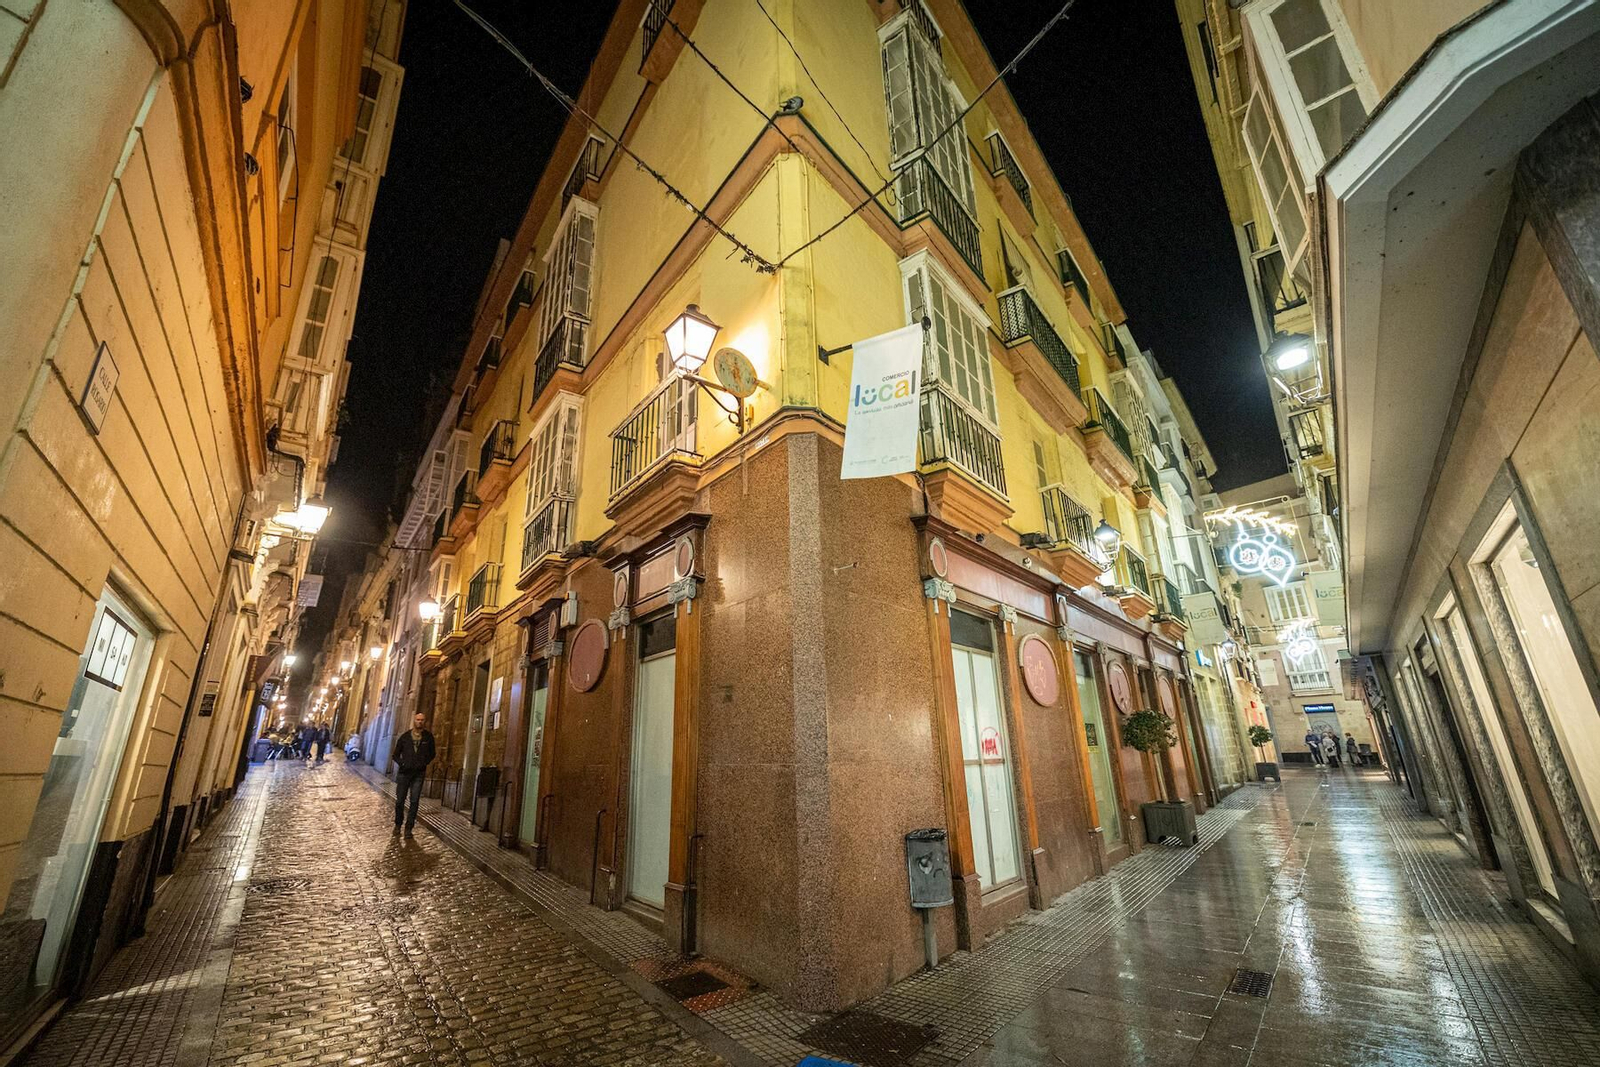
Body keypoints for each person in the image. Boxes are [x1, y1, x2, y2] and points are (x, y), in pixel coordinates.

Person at [391, 712, 436, 837]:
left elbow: (432, 753)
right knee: (400, 800)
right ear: (414, 721)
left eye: (422, 720)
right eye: (418, 719)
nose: (420, 722)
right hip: (404, 773)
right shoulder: (405, 737)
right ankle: (398, 824)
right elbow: (395, 755)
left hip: (418, 773)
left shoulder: (428, 737)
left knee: (414, 801)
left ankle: (409, 828)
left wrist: (423, 763)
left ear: (424, 721)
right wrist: (403, 764)